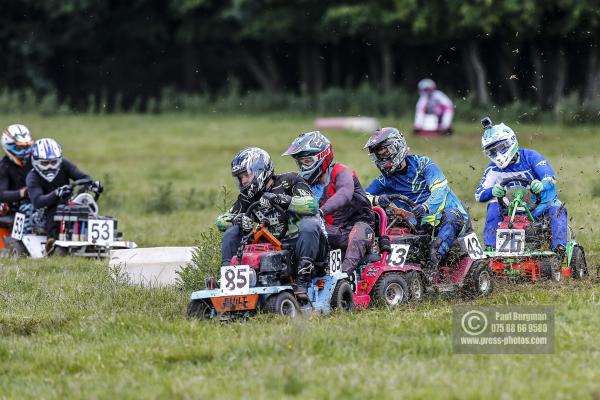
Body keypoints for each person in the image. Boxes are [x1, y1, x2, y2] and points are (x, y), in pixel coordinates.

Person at [363, 127, 469, 282]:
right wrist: (378, 200)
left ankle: (432, 269)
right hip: (417, 223)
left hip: (447, 217)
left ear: (397, 146)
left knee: (447, 225)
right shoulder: (385, 179)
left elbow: (440, 190)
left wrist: (426, 207)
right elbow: (362, 196)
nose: (382, 157)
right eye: (378, 154)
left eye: (384, 152)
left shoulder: (423, 164)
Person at [215, 147, 321, 295]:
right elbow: (220, 221)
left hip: (301, 244)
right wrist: (237, 219)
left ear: (260, 171)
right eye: (240, 177)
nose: (243, 181)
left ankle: (303, 281)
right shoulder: (246, 198)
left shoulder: (289, 181)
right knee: (232, 232)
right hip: (268, 247)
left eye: (246, 175)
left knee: (310, 224)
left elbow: (312, 205)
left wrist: (281, 199)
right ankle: (226, 280)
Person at [283, 131, 375, 276]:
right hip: (329, 230)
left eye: (307, 162)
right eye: (300, 163)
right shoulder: (304, 183)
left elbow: (344, 193)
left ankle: (343, 275)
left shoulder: (341, 172)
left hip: (355, 228)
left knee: (361, 230)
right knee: (297, 228)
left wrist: (321, 211)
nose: (303, 167)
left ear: (322, 157)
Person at [475, 117, 567, 258]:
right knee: (493, 205)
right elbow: (479, 194)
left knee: (557, 208)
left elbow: (550, 177)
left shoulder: (530, 157)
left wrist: (541, 184)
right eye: (492, 151)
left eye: (500, 147)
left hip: (540, 206)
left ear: (511, 141)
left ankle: (559, 251)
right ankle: (491, 250)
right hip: (510, 209)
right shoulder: (492, 169)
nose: (497, 154)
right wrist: (492, 191)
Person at [26, 138, 101, 241]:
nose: (50, 167)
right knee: (56, 210)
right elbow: (38, 201)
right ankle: (52, 242)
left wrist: (93, 185)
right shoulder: (32, 177)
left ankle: (95, 238)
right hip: (43, 212)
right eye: (45, 163)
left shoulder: (64, 165)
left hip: (68, 204)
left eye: (53, 162)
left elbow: (84, 178)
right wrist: (56, 193)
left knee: (84, 208)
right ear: (35, 161)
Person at [0, 124, 34, 224]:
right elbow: (1, 194)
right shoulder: (3, 166)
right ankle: (17, 238)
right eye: (19, 148)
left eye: (26, 147)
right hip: (10, 207)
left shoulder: (35, 161)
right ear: (8, 146)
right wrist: (22, 193)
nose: (24, 152)